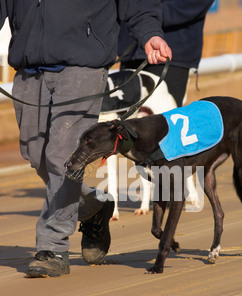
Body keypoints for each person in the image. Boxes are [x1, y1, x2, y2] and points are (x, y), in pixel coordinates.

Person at [0, 0, 172, 278]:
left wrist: (149, 32)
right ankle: (93, 206)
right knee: (38, 157)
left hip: (83, 64)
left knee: (62, 158)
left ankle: (52, 247)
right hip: (29, 67)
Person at [118, 0, 214, 107]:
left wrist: (146, 17)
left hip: (172, 56)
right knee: (124, 118)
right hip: (130, 50)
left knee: (162, 119)